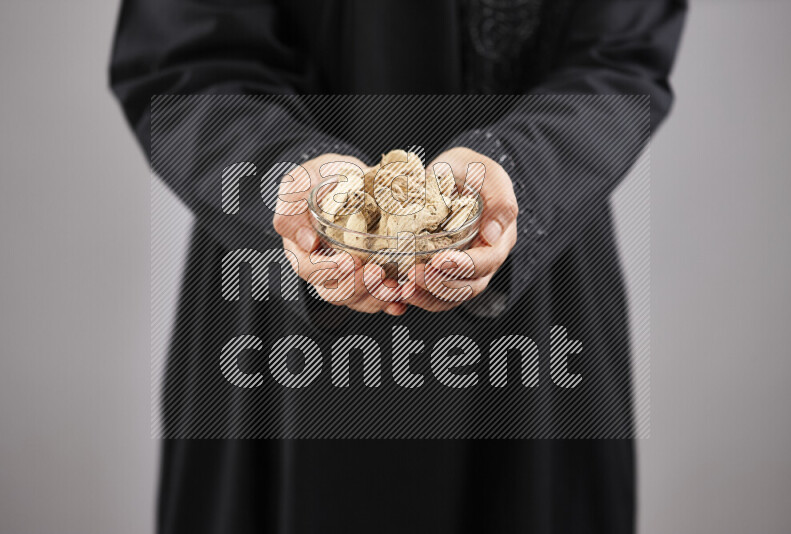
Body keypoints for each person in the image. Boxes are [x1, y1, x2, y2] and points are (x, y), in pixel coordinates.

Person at [110, 0, 686, 532]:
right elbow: (184, 57)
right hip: (275, 292)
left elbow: (621, 54)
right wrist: (295, 184)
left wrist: (522, 173)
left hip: (540, 284)